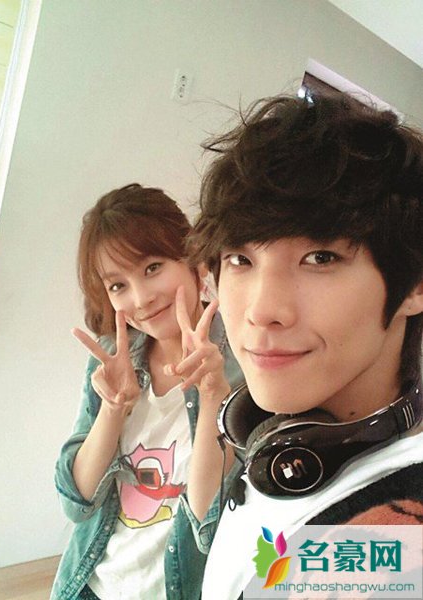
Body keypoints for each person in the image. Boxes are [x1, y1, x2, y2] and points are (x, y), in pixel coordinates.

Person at [188, 93, 423, 599]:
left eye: (320, 258)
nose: (261, 310)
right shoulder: (286, 439)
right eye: (239, 260)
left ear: (415, 285)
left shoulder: (398, 545)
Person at [51, 184, 244, 600]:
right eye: (117, 286)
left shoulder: (242, 361)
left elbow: (207, 522)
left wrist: (213, 394)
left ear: (192, 257)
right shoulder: (111, 359)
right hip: (89, 586)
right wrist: (113, 408)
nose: (140, 298)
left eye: (152, 267)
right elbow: (77, 503)